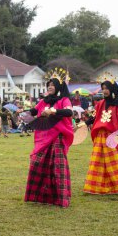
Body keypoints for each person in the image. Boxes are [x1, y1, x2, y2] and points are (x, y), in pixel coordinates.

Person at [24, 68, 74, 207]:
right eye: (48, 85)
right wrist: (24, 112)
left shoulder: (64, 100)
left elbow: (69, 112)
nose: (50, 87)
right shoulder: (43, 101)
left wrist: (53, 111)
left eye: (52, 85)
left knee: (57, 166)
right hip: (42, 138)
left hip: (57, 138)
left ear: (58, 86)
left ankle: (60, 198)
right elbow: (33, 111)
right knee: (37, 164)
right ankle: (39, 196)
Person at [79, 76, 118, 194]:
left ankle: (117, 187)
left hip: (112, 137)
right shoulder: (100, 103)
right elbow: (93, 118)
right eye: (103, 88)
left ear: (113, 89)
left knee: (113, 163)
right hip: (100, 137)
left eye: (106, 88)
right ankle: (96, 187)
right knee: (98, 162)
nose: (104, 90)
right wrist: (81, 125)